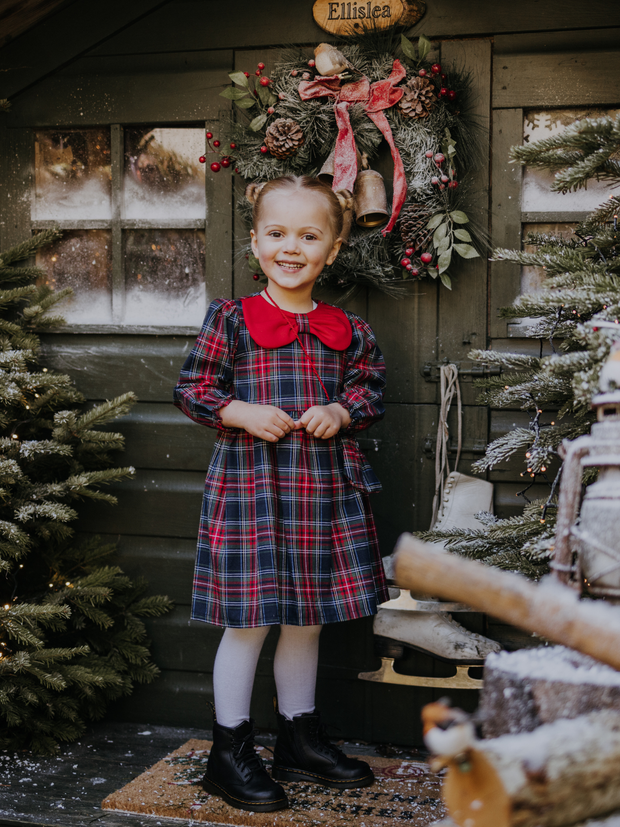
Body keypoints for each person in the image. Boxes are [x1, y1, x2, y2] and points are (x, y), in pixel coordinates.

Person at [173, 174, 388, 813]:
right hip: (250, 492)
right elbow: (193, 387)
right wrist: (238, 411)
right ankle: (229, 752)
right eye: (277, 233)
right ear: (256, 240)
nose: (290, 247)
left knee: (306, 617)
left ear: (334, 246)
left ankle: (298, 736)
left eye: (308, 235)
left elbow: (370, 389)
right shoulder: (232, 319)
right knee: (251, 620)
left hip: (322, 492)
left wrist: (341, 413)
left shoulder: (347, 327)